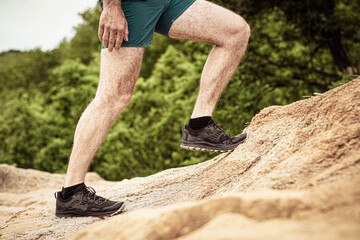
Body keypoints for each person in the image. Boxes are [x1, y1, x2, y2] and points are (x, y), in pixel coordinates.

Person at [55, 0, 250, 217]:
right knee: (114, 95)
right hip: (132, 4)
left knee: (235, 31)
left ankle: (200, 125)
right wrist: (111, 7)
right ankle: (71, 194)